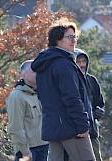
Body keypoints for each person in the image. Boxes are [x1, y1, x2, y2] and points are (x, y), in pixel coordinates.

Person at [32, 22, 95, 161]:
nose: (73, 40)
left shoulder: (46, 63)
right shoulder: (64, 64)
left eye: (75, 37)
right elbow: (72, 98)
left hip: (53, 125)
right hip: (70, 126)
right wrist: (83, 125)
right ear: (57, 39)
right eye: (69, 37)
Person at [7, 60, 49, 161]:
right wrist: (26, 152)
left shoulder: (43, 93)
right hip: (30, 151)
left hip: (47, 146)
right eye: (34, 70)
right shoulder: (17, 96)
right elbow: (15, 128)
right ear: (23, 75)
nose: (38, 73)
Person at [74, 49, 105, 161]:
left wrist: (99, 111)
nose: (82, 65)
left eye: (84, 61)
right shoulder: (68, 82)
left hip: (92, 132)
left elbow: (100, 103)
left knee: (96, 158)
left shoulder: (92, 81)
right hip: (74, 134)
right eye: (78, 62)